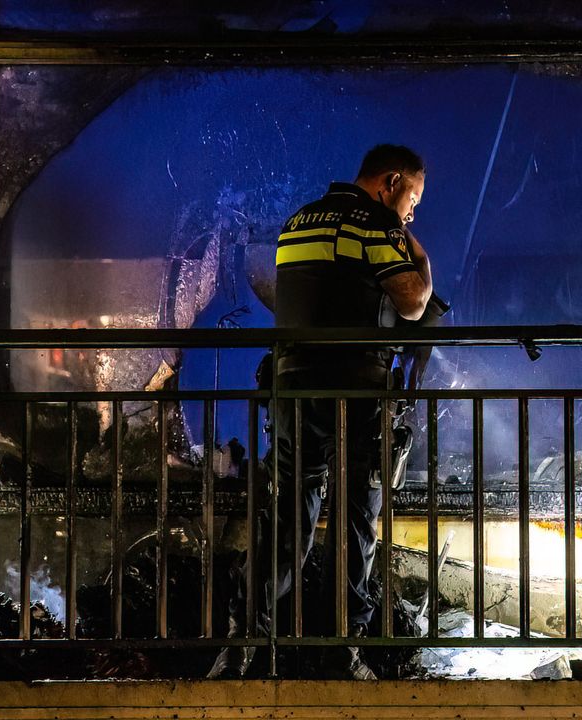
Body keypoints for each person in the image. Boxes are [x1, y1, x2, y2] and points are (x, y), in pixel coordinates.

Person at [210, 145, 434, 679]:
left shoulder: (298, 222)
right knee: (358, 517)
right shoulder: (375, 227)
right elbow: (414, 300)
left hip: (292, 387)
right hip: (355, 392)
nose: (411, 211)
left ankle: (245, 640)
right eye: (413, 198)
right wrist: (414, 249)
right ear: (391, 182)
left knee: (289, 517)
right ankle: (343, 649)